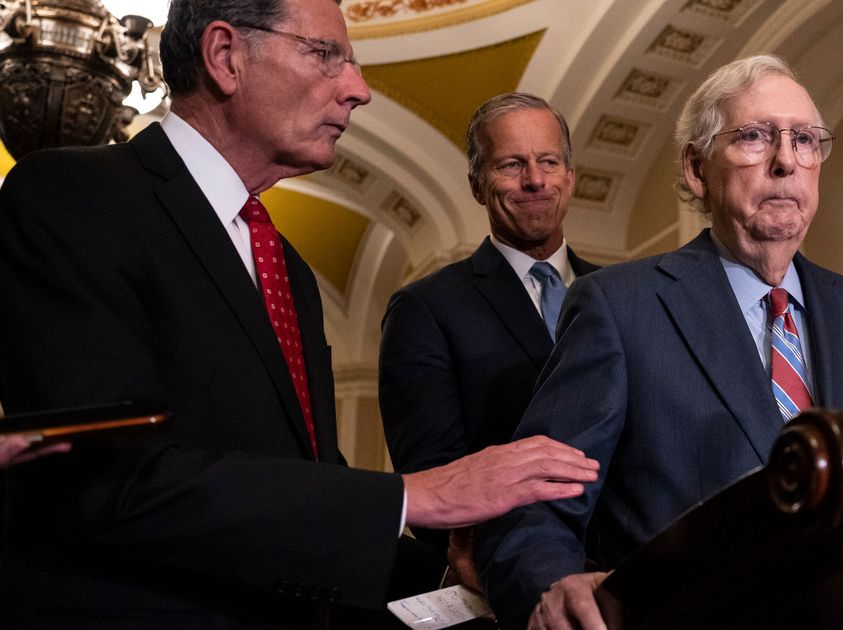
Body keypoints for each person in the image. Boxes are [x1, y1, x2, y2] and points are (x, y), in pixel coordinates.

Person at [0, 1, 598, 626]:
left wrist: (452, 580)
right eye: (325, 55)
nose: (358, 90)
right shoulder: (72, 198)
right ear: (226, 56)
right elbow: (105, 487)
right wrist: (413, 495)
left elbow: (306, 490)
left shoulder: (288, 268)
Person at [477, 54, 843, 628]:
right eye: (756, 137)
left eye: (805, 140)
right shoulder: (620, 307)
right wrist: (556, 589)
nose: (786, 161)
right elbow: (535, 507)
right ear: (695, 168)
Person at [378, 93, 599, 586]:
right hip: (508, 579)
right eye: (511, 164)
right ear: (478, 185)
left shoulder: (624, 295)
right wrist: (518, 567)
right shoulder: (425, 309)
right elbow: (435, 476)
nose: (535, 179)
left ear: (570, 176)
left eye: (548, 161)